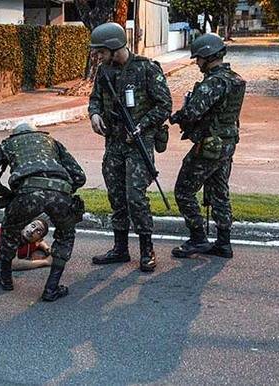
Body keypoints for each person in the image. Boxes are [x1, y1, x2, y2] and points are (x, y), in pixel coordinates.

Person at [87, 22, 172, 272]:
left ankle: (147, 250)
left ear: (113, 47)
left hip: (138, 144)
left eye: (101, 50)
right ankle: (120, 249)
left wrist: (142, 125)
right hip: (113, 144)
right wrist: (94, 115)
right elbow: (94, 99)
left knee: (136, 198)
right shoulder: (104, 72)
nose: (98, 55)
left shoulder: (146, 69)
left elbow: (164, 105)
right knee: (116, 196)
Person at [0, 123, 86, 302]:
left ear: (15, 136)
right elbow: (80, 176)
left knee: (9, 232)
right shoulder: (52, 142)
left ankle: (5, 279)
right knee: (65, 236)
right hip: (60, 194)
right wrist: (64, 191)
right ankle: (51, 288)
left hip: (27, 194)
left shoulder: (8, 144)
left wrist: (5, 192)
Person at [169, 33, 246, 259]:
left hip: (210, 145)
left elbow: (193, 112)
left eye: (198, 59)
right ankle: (223, 242)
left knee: (183, 191)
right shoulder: (235, 79)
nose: (197, 63)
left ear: (207, 56)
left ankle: (198, 239)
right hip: (228, 143)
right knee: (219, 191)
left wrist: (178, 117)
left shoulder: (213, 83)